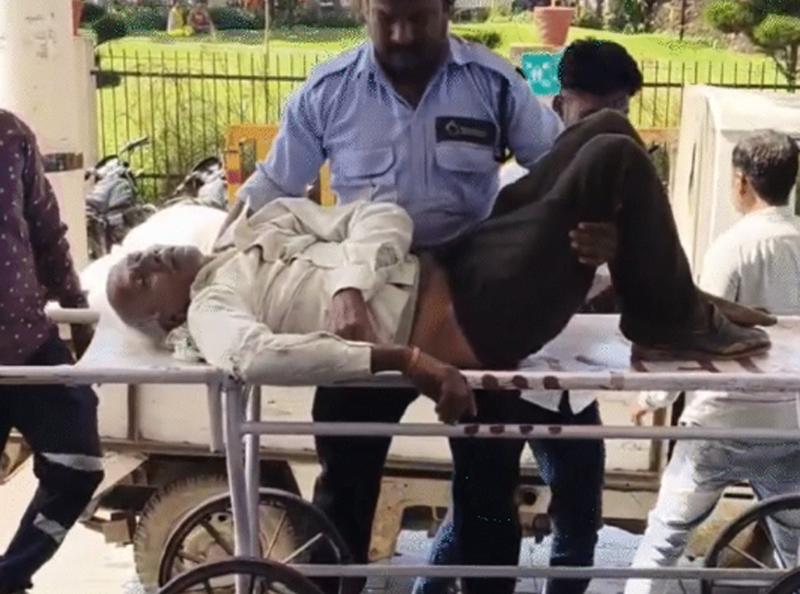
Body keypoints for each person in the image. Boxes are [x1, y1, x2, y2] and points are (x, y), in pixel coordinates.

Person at [109, 110, 772, 588]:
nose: (142, 256)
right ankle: (671, 316)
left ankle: (674, 303)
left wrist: (348, 282)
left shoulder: (260, 225)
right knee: (611, 163)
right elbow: (257, 357)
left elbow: (380, 216)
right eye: (135, 278)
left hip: (454, 260)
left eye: (136, 255)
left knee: (606, 129)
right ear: (166, 316)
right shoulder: (211, 310)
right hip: (466, 320)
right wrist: (405, 359)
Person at [220, 0, 563, 590]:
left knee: (488, 489)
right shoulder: (330, 92)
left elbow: (558, 165)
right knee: (344, 485)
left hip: (468, 310)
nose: (402, 34)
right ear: (364, 10)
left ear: (447, 9)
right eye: (386, 18)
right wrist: (214, 266)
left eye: (418, 19)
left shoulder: (492, 85)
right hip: (364, 310)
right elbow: (272, 189)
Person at [414, 38, 644, 594]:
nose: (608, 129)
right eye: (595, 114)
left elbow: (637, 274)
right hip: (501, 373)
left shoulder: (619, 187)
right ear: (561, 105)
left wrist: (617, 252)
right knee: (479, 514)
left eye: (621, 113)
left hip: (572, 383)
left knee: (580, 517)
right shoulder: (513, 187)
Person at [625, 130, 800, 594]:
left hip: (720, 423)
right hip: (788, 424)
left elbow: (697, 335)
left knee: (663, 542)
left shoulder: (731, 248)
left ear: (741, 182)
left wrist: (652, 397)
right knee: (795, 552)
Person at [0, 111, 103, 594]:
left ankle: (10, 575)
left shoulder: (10, 135)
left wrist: (77, 309)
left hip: (27, 341)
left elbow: (46, 232)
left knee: (79, 465)